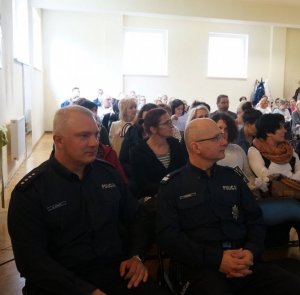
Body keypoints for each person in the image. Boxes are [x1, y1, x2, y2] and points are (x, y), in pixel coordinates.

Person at [8, 105, 168, 295]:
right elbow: (31, 261)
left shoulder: (107, 174)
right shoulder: (31, 191)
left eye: (96, 134)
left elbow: (136, 217)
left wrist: (137, 255)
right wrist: (85, 291)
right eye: (84, 136)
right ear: (58, 140)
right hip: (61, 283)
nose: (94, 143)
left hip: (115, 271)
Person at [156, 118, 300, 295]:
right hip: (201, 269)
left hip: (243, 260)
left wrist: (250, 252)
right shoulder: (173, 185)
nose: (224, 141)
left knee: (292, 286)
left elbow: (255, 220)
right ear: (196, 147)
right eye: (216, 138)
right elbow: (169, 237)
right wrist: (218, 260)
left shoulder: (232, 178)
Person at [130, 108, 186, 200]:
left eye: (170, 122)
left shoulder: (175, 145)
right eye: (167, 123)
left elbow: (183, 171)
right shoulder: (138, 152)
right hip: (154, 201)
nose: (171, 126)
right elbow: (142, 185)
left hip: (179, 198)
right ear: (153, 129)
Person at [248, 113, 300, 192]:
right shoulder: (254, 150)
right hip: (274, 198)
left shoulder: (287, 148)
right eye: (280, 128)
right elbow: (266, 176)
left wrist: (289, 181)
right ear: (268, 132)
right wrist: (293, 180)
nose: (285, 130)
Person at [211, 113, 255, 190]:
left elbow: (248, 175)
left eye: (226, 129)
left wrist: (252, 186)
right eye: (219, 128)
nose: (223, 132)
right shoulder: (208, 153)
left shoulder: (237, 149)